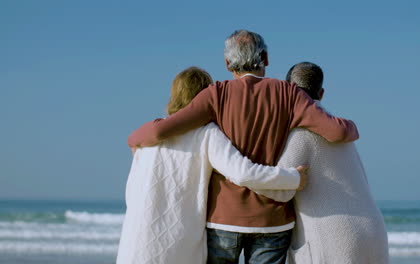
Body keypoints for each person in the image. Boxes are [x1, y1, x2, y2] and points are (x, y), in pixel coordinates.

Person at [128, 30, 359, 264]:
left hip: (223, 219)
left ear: (228, 63)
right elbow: (337, 132)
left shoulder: (215, 94)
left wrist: (133, 139)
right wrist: (353, 126)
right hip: (273, 220)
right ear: (266, 59)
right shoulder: (290, 94)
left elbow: (161, 130)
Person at [117, 67, 309, 264]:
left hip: (136, 240)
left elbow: (131, 192)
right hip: (177, 243)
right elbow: (243, 173)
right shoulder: (205, 133)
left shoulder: (148, 138)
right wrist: (292, 178)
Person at [255, 62, 389, 263]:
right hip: (373, 231)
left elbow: (278, 190)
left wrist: (242, 173)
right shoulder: (341, 132)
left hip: (337, 237)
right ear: (322, 93)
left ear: (289, 91)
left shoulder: (301, 134)